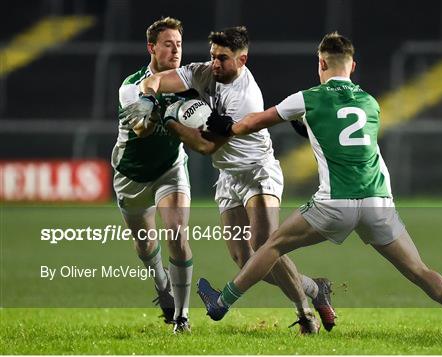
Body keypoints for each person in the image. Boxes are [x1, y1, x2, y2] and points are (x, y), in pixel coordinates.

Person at [196, 32, 442, 335]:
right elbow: (346, 134)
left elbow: (252, 122)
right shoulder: (371, 103)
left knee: (272, 245)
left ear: (321, 64)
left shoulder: (307, 98)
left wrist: (227, 126)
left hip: (335, 204)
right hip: (378, 203)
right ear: (352, 66)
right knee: (419, 270)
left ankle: (222, 302)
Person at [120, 26, 336, 333]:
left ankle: (305, 315)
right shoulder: (203, 72)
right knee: (243, 258)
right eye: (212, 56)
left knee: (264, 244)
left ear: (242, 60)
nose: (215, 64)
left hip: (257, 171)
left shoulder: (244, 98)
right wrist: (146, 97)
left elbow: (206, 146)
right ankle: (315, 288)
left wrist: (170, 120)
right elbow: (153, 79)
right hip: (229, 176)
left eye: (223, 58)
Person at [113, 17, 196, 333]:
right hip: (132, 174)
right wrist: (167, 110)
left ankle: (182, 316)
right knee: (146, 246)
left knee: (176, 232)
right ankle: (162, 285)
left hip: (170, 168)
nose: (175, 50)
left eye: (179, 44)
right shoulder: (130, 88)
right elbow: (142, 129)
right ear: (151, 47)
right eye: (168, 44)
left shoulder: (190, 84)